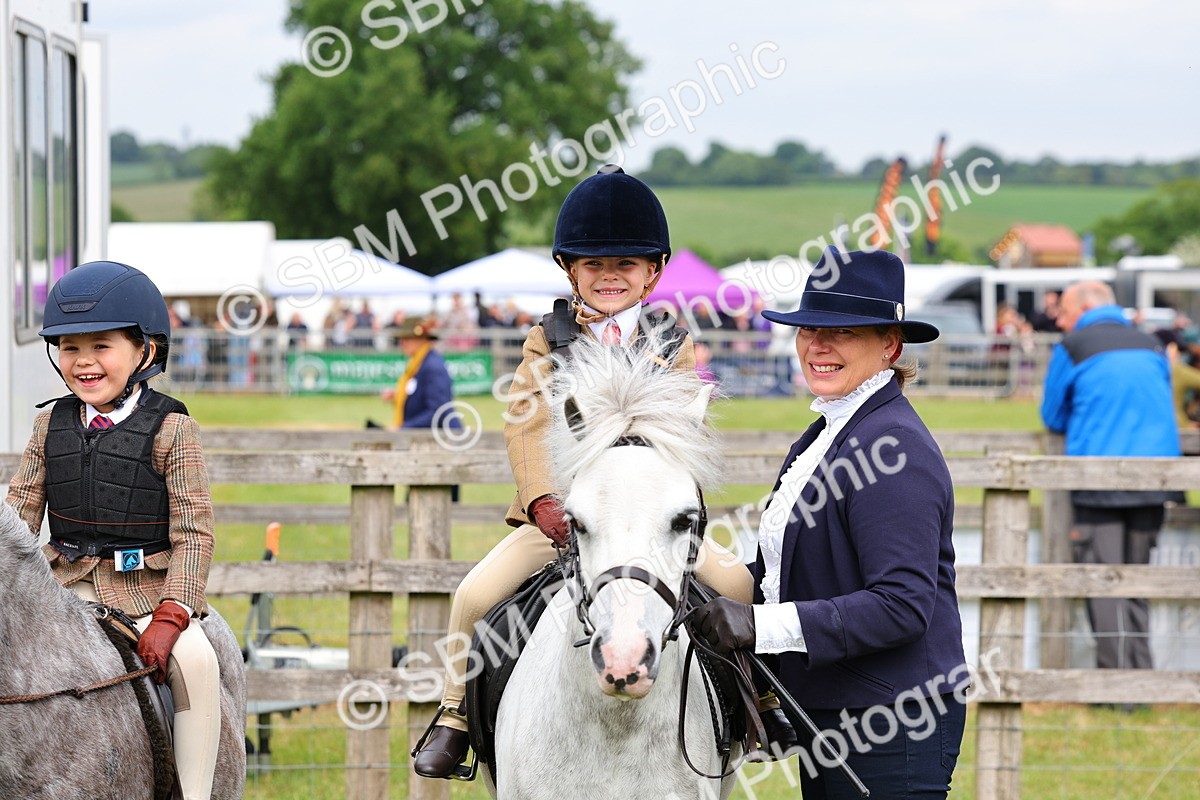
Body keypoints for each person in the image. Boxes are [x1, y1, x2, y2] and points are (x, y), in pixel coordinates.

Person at [412, 165, 792, 778]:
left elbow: (682, 431)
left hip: (647, 521)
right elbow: (527, 423)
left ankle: (760, 702)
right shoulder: (548, 339)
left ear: (654, 271)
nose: (609, 277)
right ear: (570, 269)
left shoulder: (672, 342)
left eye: (625, 266)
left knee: (739, 585)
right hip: (567, 518)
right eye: (594, 266)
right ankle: (455, 717)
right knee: (473, 596)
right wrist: (543, 501)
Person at [693, 248, 968, 798]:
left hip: (892, 722)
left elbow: (902, 605)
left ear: (890, 345)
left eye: (842, 332)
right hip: (835, 713)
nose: (817, 345)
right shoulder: (831, 432)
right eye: (808, 329)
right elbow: (790, 570)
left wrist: (759, 626)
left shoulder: (894, 448)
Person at [6, 261, 222, 800]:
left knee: (197, 664)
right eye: (70, 348)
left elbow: (194, 533)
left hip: (146, 593)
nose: (83, 362)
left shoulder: (173, 429)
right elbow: (18, 514)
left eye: (101, 346)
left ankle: (194, 793)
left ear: (144, 351)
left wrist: (174, 615)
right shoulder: (47, 423)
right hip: (60, 589)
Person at [1041, 281, 1182, 674]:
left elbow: (1052, 416)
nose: (1062, 322)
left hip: (1097, 479)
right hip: (1156, 479)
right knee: (1137, 581)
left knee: (1102, 582)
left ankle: (1113, 686)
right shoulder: (1151, 343)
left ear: (1086, 307)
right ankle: (1141, 676)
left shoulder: (1073, 347)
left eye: (1065, 313)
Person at [379, 318, 462, 433]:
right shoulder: (417, 364)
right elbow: (420, 396)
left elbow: (437, 411)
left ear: (422, 340)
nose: (403, 343)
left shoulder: (433, 367)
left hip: (441, 439)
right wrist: (398, 396)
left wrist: (403, 428)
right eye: (402, 339)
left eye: (408, 339)